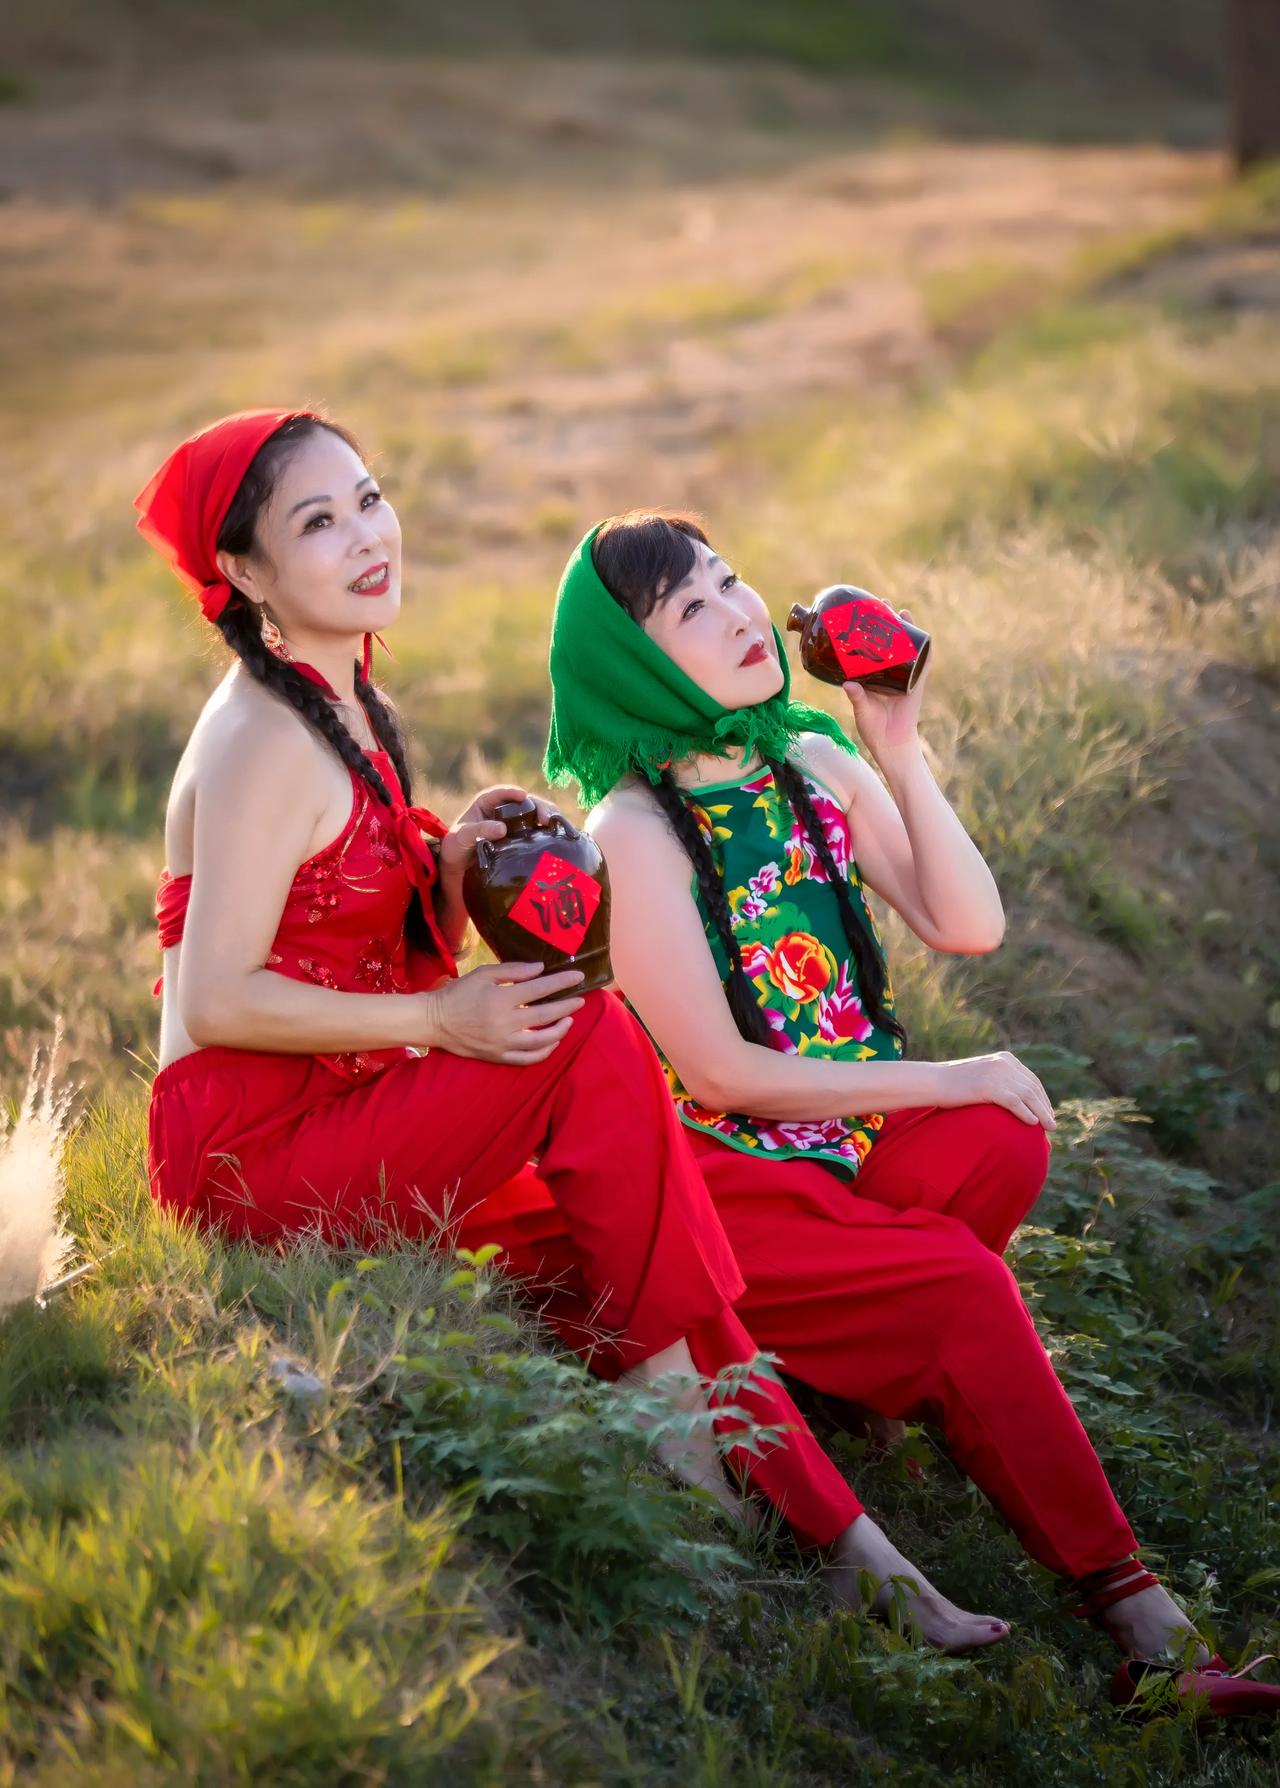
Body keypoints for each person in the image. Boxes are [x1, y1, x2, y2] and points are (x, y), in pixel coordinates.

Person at [135, 409, 1008, 1652]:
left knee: (622, 1217)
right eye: (317, 523)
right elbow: (215, 998)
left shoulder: (345, 699)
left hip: (342, 1107)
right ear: (245, 571)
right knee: (594, 1039)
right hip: (249, 1153)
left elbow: (330, 922)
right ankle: (727, 1491)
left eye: (370, 499)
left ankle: (832, 1538)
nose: (367, 537)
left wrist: (447, 871)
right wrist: (439, 1014)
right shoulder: (260, 736)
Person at [537, 509, 1280, 1715]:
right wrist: (942, 1075)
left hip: (837, 1144)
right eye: (690, 611)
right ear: (632, 662)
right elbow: (718, 1077)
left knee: (1000, 1136)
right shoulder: (631, 831)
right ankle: (1142, 1625)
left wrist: (894, 743)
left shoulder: (806, 755)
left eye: (730, 583)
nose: (737, 616)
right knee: (957, 1280)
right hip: (721, 1183)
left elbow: (965, 924)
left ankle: (853, 1377)